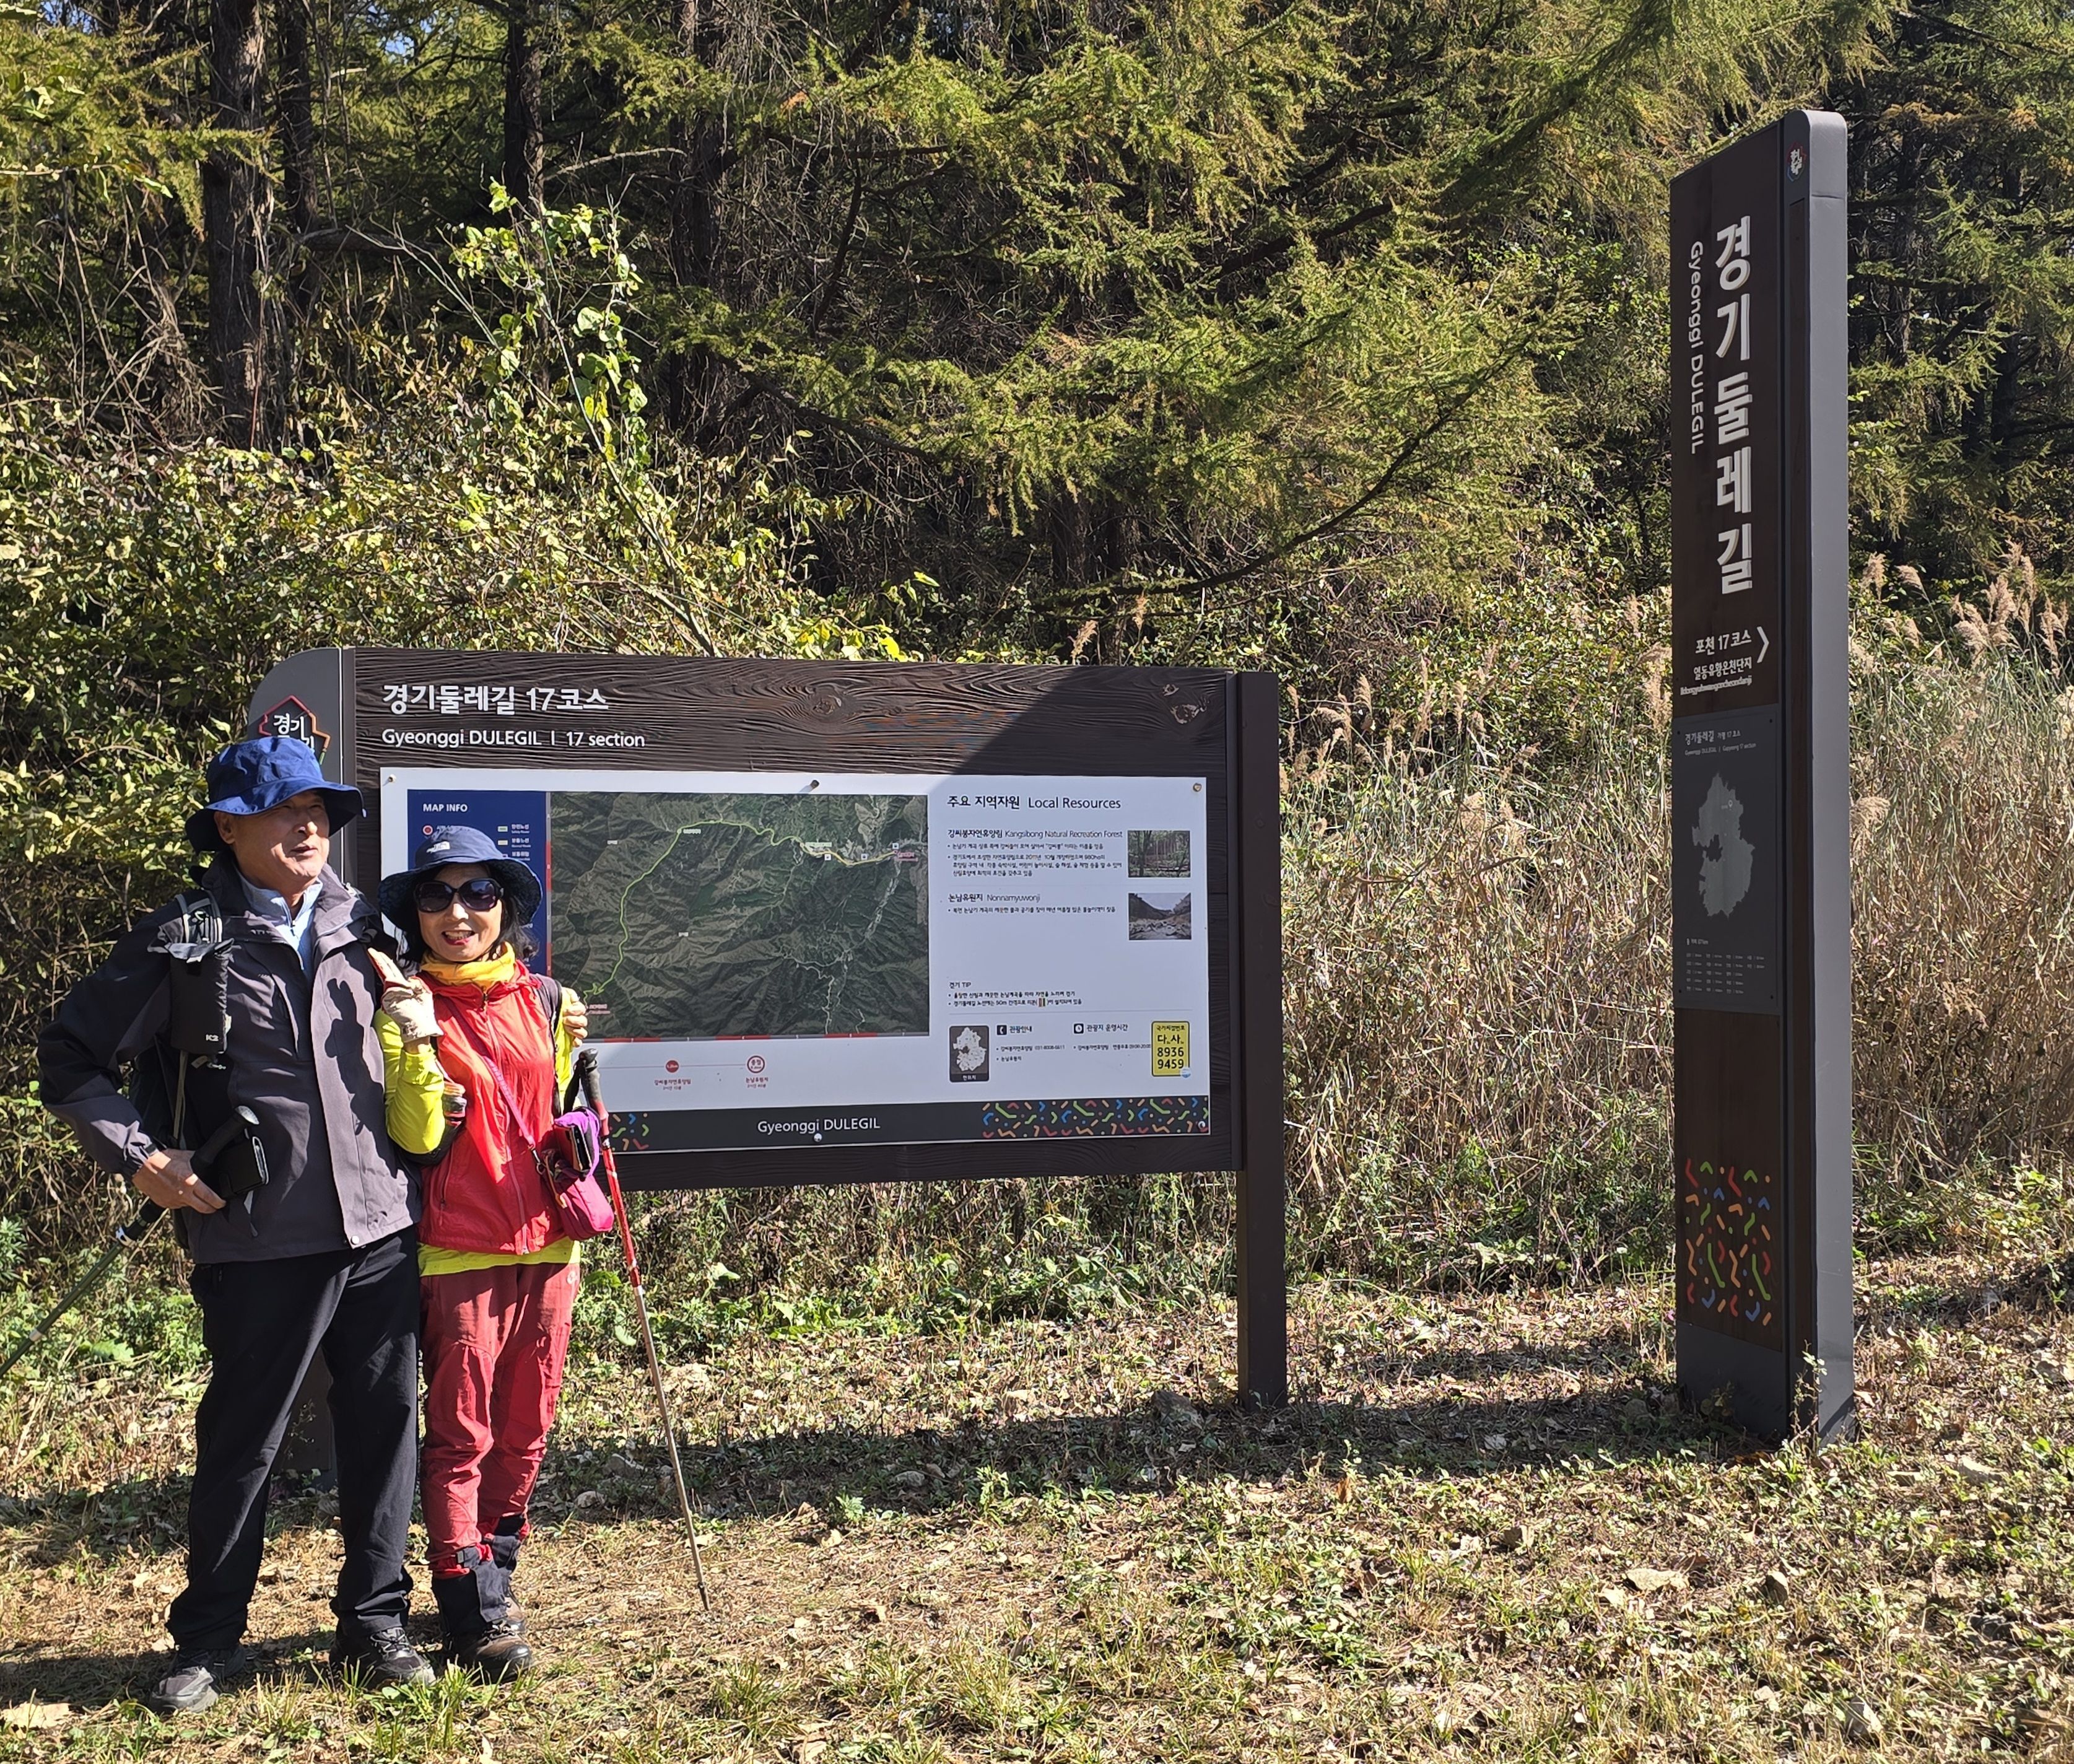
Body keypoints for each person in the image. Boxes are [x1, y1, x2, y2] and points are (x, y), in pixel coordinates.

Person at [37, 736, 434, 1714]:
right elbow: (70, 1058)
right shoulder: (182, 939)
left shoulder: (370, 925)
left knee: (385, 1431)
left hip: (381, 1227)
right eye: (284, 810)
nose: (309, 826)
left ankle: (375, 1623)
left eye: (320, 811)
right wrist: (144, 1157)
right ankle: (209, 1642)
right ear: (228, 828)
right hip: (256, 1238)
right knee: (244, 1442)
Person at [372, 827, 590, 1679]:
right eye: (436, 896)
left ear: (505, 909)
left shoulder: (546, 1000)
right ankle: (469, 1609)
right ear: (415, 914)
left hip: (551, 1243)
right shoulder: (406, 1003)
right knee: (462, 1432)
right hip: (459, 1247)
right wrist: (417, 1040)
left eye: (478, 894)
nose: (457, 913)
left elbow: (560, 1111)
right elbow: (416, 1133)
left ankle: (497, 1576)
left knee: (526, 1426)